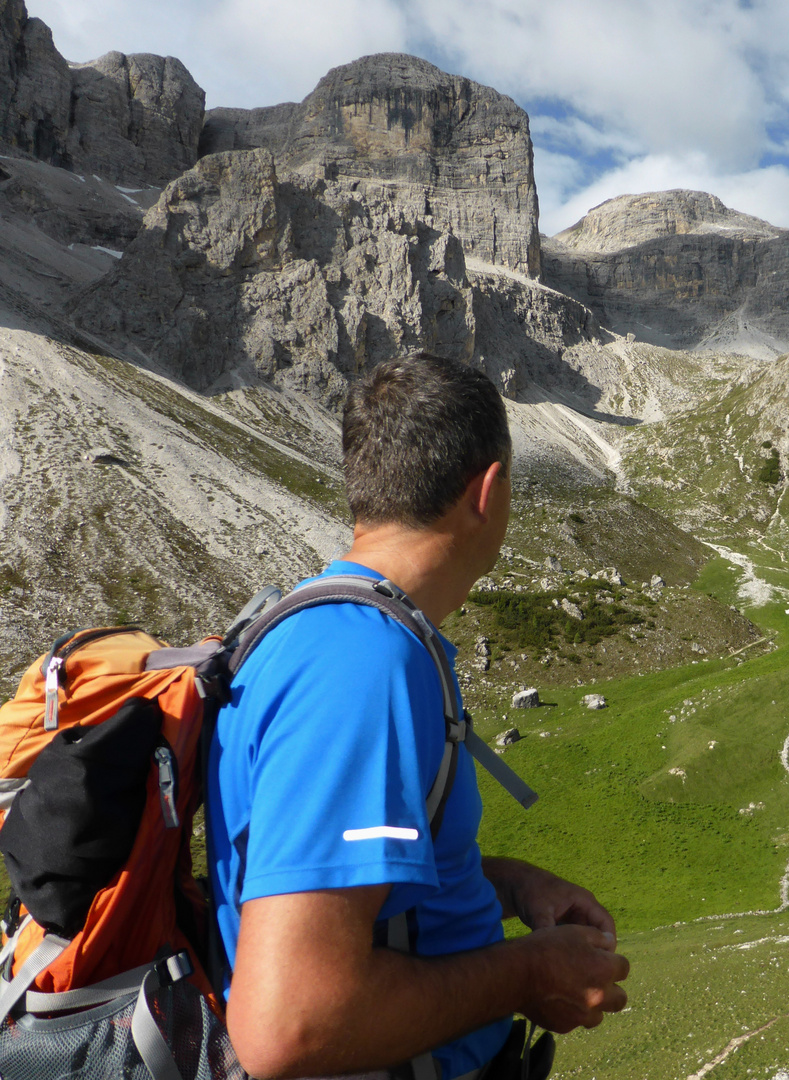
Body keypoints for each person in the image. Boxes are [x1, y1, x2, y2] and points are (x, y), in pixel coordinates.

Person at [208, 352, 629, 1079]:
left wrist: (509, 884)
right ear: (488, 491)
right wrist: (527, 975)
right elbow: (288, 1024)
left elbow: (362, 895)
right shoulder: (362, 666)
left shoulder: (337, 630)